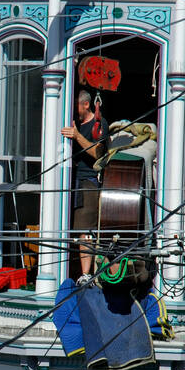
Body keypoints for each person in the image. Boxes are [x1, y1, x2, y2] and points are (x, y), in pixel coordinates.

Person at [60, 89, 109, 281]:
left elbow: (98, 154)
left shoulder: (99, 124)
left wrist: (77, 135)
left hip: (88, 182)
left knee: (85, 231)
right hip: (71, 182)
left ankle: (86, 275)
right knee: (73, 230)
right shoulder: (77, 124)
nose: (74, 110)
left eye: (76, 106)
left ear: (86, 104)